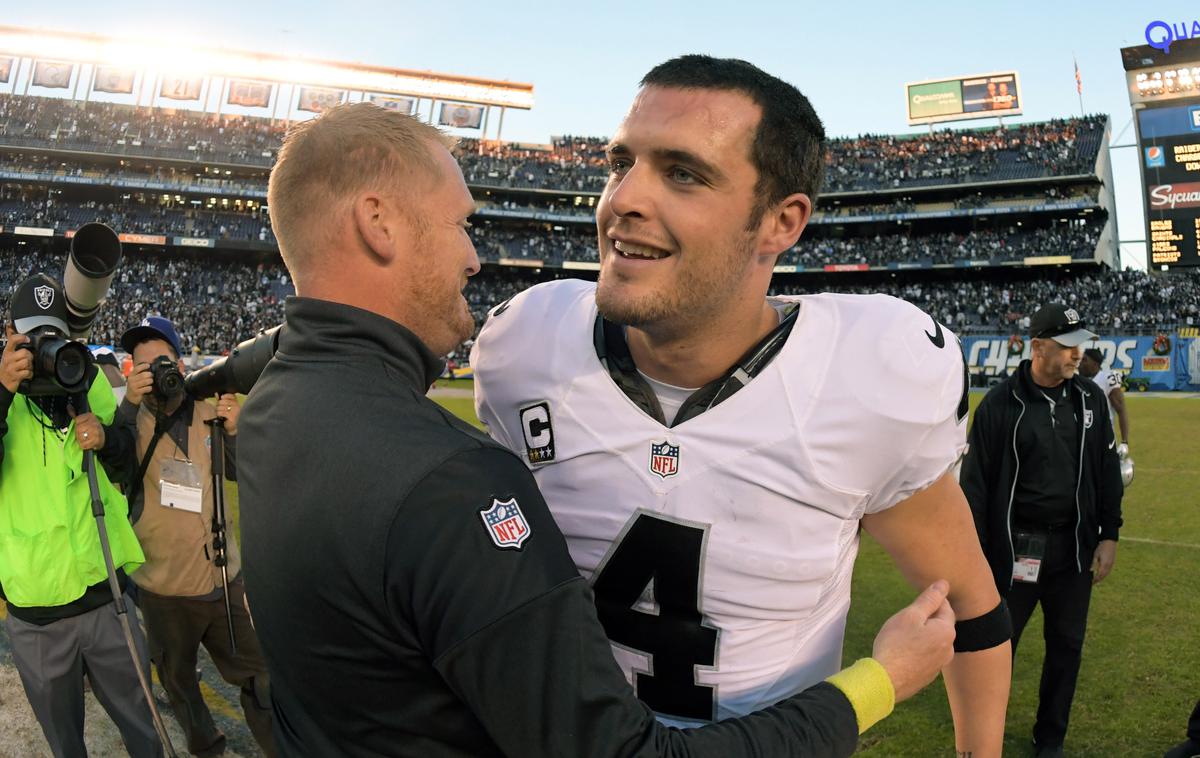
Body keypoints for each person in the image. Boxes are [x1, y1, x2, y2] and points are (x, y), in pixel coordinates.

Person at [238, 102, 958, 757]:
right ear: (378, 222)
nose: (474, 256)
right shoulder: (453, 484)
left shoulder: (273, 404)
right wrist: (880, 681)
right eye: (460, 223)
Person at [472, 55, 1011, 756]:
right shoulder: (525, 346)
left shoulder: (865, 380)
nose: (622, 200)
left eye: (684, 173)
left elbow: (969, 610)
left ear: (780, 222)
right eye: (619, 163)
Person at [0, 274, 162, 758]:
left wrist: (106, 438)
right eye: (33, 338)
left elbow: (123, 465)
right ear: (10, 333)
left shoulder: (84, 378)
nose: (45, 347)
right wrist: (4, 391)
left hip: (105, 592)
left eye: (53, 334)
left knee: (145, 726)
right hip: (37, 609)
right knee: (65, 741)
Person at [960, 303, 1124, 758]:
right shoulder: (999, 405)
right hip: (1015, 554)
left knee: (1066, 647)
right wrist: (978, 557)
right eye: (1068, 346)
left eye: (1081, 346)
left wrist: (1109, 533)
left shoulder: (1090, 399)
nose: (1078, 355)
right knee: (998, 647)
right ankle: (985, 731)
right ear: (1037, 347)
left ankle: (1049, 739)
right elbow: (974, 487)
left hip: (1073, 551)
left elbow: (1108, 470)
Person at [116, 316, 276, 758]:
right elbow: (114, 468)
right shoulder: (127, 423)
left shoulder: (209, 411)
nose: (154, 374)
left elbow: (245, 473)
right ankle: (207, 748)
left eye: (162, 361)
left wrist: (236, 431)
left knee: (262, 675)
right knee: (179, 682)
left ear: (181, 363)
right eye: (142, 366)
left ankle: (279, 747)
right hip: (162, 586)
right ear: (133, 373)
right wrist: (127, 409)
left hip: (224, 578)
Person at [1079, 347, 1130, 447]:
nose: (1080, 363)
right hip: (1083, 436)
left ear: (1095, 364)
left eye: (1085, 360)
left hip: (1103, 438)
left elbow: (1121, 409)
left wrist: (1124, 442)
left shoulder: (1106, 378)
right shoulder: (1078, 381)